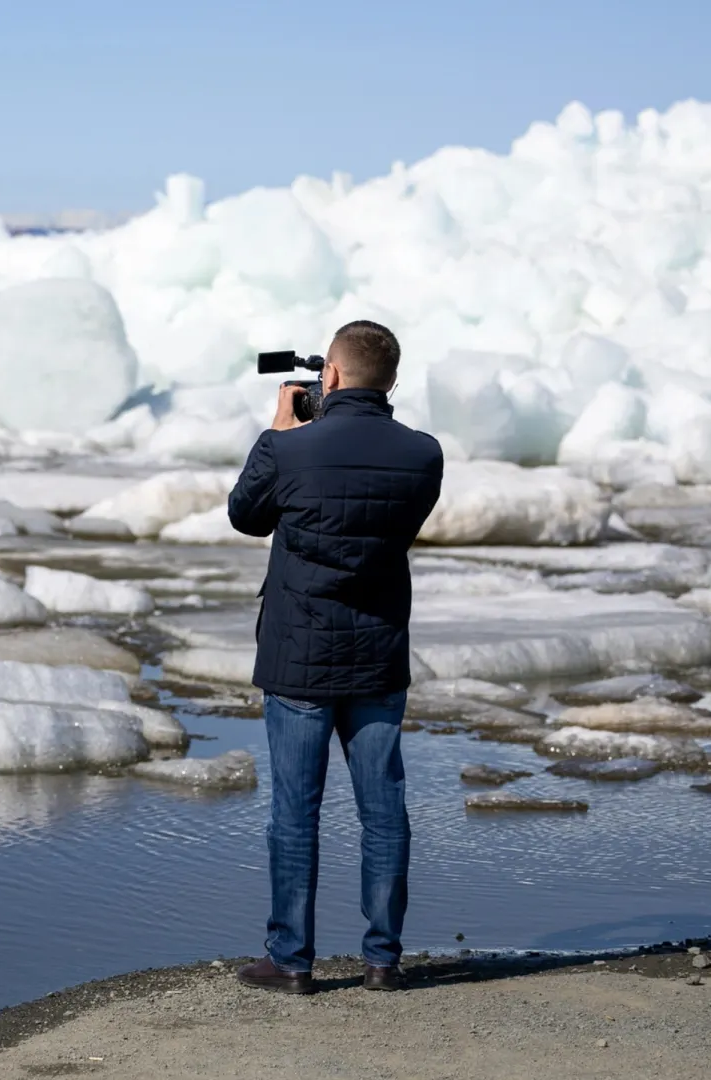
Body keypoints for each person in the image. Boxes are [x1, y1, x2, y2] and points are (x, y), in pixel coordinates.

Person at [225, 320, 444, 995]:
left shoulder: (291, 451)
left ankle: (291, 960)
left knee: (296, 811)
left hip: (299, 657)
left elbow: (245, 514)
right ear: (393, 383)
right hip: (377, 655)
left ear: (333, 377)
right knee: (384, 810)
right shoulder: (424, 455)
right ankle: (383, 958)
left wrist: (279, 437)